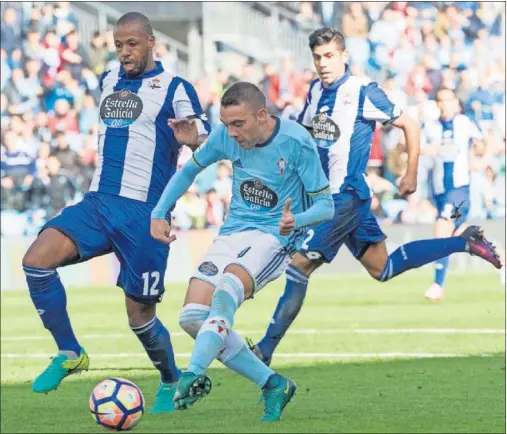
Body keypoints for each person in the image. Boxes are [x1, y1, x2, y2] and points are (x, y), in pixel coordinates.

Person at [248, 27, 502, 366]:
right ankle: (465, 241)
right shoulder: (314, 91)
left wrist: (410, 171)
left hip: (344, 197)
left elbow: (409, 124)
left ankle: (264, 350)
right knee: (382, 268)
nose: (323, 64)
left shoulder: (362, 91)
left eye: (329, 56)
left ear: (343, 57)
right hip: (333, 197)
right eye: (318, 57)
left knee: (299, 266)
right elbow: (303, 131)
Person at [21, 12, 210, 414]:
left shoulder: (175, 87)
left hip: (145, 214)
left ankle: (171, 380)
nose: (124, 52)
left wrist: (197, 140)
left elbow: (205, 142)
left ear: (151, 41)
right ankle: (70, 352)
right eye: (118, 44)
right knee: (36, 261)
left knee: (140, 318)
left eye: (132, 44)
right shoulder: (108, 79)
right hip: (98, 202)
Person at [150, 82, 334, 421]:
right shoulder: (224, 136)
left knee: (226, 292)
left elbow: (326, 206)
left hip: (275, 238)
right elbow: (189, 170)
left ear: (262, 116)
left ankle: (192, 373)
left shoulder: (296, 142)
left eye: (239, 124)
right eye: (227, 124)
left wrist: (297, 220)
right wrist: (159, 212)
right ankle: (273, 383)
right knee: (192, 316)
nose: (231, 133)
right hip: (233, 232)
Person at [422, 88, 485, 301]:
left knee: (441, 230)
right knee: (457, 233)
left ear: (456, 103)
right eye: (440, 100)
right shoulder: (430, 126)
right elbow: (416, 146)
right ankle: (498, 255)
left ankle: (437, 285)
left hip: (459, 192)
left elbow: (482, 144)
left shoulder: (464, 123)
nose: (443, 104)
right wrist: (424, 150)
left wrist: (480, 154)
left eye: (448, 100)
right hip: (439, 192)